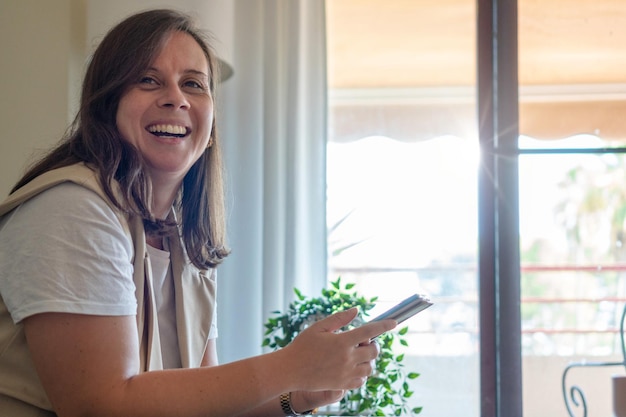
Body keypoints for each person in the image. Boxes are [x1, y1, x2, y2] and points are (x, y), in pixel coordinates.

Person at [0, 8, 395, 417]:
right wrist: (290, 365)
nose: (176, 98)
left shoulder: (184, 240)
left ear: (209, 130)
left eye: (193, 84)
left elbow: (205, 407)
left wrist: (296, 396)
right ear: (107, 106)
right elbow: (99, 405)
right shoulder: (71, 208)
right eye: (149, 80)